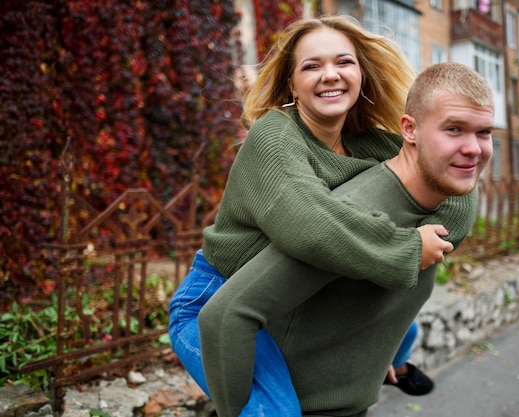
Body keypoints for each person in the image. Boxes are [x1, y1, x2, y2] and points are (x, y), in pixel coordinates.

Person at [168, 14, 447, 411]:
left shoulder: (370, 144)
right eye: (311, 66)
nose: (329, 75)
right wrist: (405, 249)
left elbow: (436, 175)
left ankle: (396, 363)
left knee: (393, 312)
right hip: (217, 298)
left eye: (343, 62)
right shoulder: (275, 138)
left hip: (295, 291)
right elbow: (311, 226)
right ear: (292, 86)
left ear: (362, 76)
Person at [198, 61, 494, 417]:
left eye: (484, 133)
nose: (474, 148)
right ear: (410, 130)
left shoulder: (441, 206)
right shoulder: (354, 214)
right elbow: (224, 315)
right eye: (454, 129)